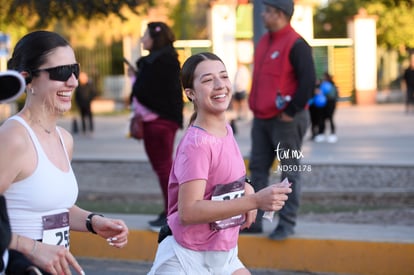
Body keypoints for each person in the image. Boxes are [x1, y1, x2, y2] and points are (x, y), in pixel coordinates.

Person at [147, 52, 291, 274]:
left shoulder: (225, 130)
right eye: (207, 80)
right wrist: (254, 201)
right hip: (186, 258)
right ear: (190, 93)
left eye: (223, 76)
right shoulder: (197, 144)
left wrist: (246, 184)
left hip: (224, 256)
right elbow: (189, 211)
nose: (219, 85)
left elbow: (222, 175)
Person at [0, 30, 129, 275]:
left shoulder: (64, 139)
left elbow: (55, 208)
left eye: (75, 70)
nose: (73, 82)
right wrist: (31, 248)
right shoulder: (14, 138)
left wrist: (94, 222)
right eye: (60, 72)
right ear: (29, 79)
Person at [245, 0, 316, 240]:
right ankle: (254, 221)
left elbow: (308, 82)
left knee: (288, 171)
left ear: (280, 14)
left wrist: (290, 110)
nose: (263, 15)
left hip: (286, 120)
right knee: (257, 169)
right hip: (261, 118)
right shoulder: (265, 41)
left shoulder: (297, 44)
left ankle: (286, 223)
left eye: (267, 11)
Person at [130, 22, 184, 231]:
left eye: (145, 35)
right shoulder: (163, 60)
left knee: (164, 169)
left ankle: (172, 212)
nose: (142, 39)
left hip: (158, 122)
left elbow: (145, 91)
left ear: (155, 38)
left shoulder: (159, 62)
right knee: (164, 168)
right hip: (160, 121)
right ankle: (170, 210)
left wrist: (136, 78)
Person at [314, 72, 338, 143]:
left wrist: (324, 94)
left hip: (330, 105)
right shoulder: (321, 84)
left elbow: (333, 96)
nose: (323, 78)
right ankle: (321, 133)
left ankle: (332, 134)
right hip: (322, 106)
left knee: (330, 119)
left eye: (325, 77)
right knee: (321, 119)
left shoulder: (332, 85)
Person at [74, 71, 97, 135]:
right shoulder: (78, 86)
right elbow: (76, 95)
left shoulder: (89, 85)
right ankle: (84, 130)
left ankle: (91, 129)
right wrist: (78, 102)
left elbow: (94, 93)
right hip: (81, 104)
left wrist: (89, 99)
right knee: (83, 117)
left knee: (90, 117)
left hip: (88, 103)